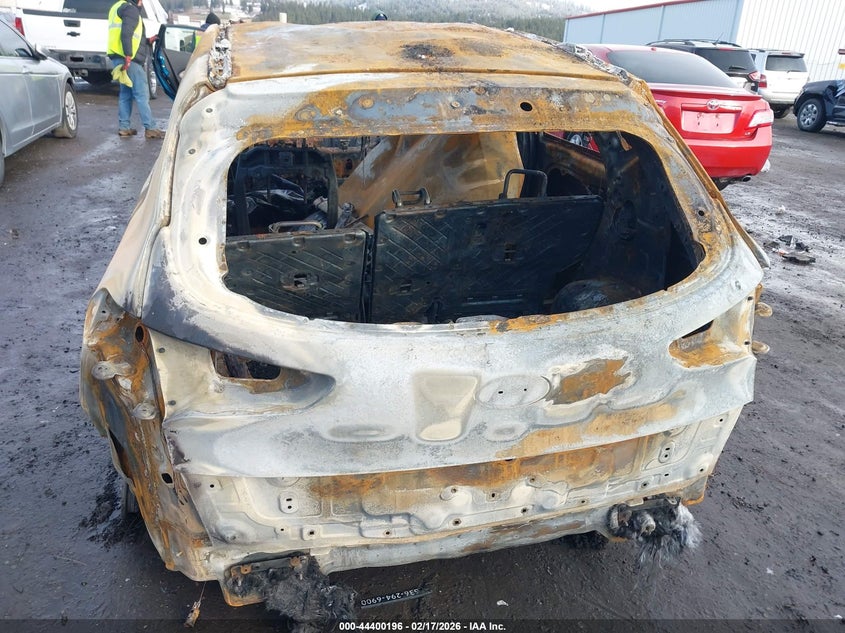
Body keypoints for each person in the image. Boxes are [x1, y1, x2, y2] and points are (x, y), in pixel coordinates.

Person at [106, 0, 164, 139]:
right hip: (129, 59)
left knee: (126, 93)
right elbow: (126, 33)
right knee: (141, 93)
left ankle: (124, 127)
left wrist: (147, 41)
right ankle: (150, 128)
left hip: (117, 56)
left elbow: (130, 35)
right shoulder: (131, 10)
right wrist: (128, 56)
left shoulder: (117, 7)